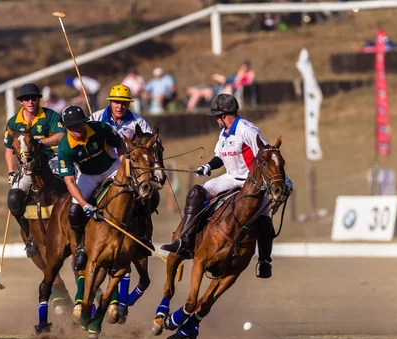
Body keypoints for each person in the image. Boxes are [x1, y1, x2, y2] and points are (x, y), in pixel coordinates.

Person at [161, 94, 292, 279]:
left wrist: (279, 181)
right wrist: (208, 166)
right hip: (231, 178)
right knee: (195, 193)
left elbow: (265, 155)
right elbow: (220, 157)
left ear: (225, 115)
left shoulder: (247, 130)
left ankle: (264, 261)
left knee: (264, 220)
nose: (215, 119)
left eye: (217, 115)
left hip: (251, 183)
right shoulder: (225, 132)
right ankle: (183, 240)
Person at [90, 84, 161, 255]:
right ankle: (80, 241)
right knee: (82, 200)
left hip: (128, 169)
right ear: (111, 102)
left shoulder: (137, 121)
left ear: (128, 104)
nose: (119, 106)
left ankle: (142, 236)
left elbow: (151, 143)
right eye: (116, 102)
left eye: (123, 103)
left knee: (150, 196)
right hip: (100, 166)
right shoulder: (97, 117)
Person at [57, 105, 126, 270]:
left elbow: (121, 145)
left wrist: (124, 168)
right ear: (67, 128)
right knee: (74, 210)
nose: (78, 128)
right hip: (88, 176)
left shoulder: (100, 128)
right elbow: (70, 182)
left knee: (134, 192)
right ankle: (80, 246)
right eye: (73, 126)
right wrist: (84, 204)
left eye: (80, 124)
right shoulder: (64, 147)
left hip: (112, 168)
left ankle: (143, 233)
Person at [4, 83, 66, 257]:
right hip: (26, 166)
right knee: (14, 198)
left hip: (51, 160)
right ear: (21, 102)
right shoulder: (13, 122)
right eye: (26, 99)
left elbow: (61, 135)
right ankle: (30, 236)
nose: (31, 102)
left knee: (70, 187)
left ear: (38, 99)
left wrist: (39, 142)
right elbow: (9, 149)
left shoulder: (49, 115)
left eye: (34, 98)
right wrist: (10, 173)